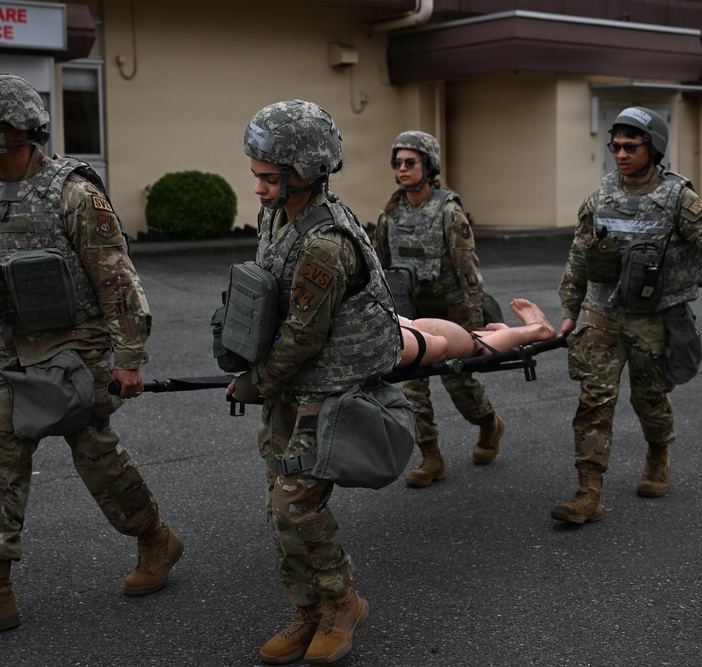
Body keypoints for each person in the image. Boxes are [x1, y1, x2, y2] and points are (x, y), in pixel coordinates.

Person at [0, 75, 182, 638]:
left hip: (75, 345)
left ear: (17, 129)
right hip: (8, 346)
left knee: (94, 453)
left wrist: (128, 356)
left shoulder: (74, 194)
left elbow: (116, 279)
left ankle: (154, 540)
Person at [229, 100, 399, 665]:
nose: (257, 188)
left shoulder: (325, 244)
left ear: (305, 172)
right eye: (256, 175)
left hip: (327, 386)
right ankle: (306, 609)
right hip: (291, 383)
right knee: (278, 503)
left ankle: (342, 602)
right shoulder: (279, 216)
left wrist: (256, 381)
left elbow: (304, 336)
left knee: (295, 504)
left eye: (268, 177)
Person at [552, 106, 702, 525]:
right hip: (602, 311)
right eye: (615, 146)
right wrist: (570, 309)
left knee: (649, 398)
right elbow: (579, 254)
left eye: (630, 146)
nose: (620, 154)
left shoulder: (678, 197)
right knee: (594, 400)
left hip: (652, 315)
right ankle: (589, 492)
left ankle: (658, 453)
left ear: (653, 147)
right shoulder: (600, 196)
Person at [372, 130, 505, 488]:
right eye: (398, 163)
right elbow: (379, 269)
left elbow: (468, 270)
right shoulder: (390, 215)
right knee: (411, 385)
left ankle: (489, 423)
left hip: (452, 312)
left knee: (459, 381)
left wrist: (477, 325)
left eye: (410, 162)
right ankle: (431, 456)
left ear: (428, 166)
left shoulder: (448, 211)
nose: (402, 169)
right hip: (413, 312)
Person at [397, 298, 556, 368]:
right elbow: (436, 346)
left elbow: (437, 346)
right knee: (477, 343)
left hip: (431, 333)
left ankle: (527, 331)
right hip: (431, 332)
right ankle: (525, 332)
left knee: (477, 343)